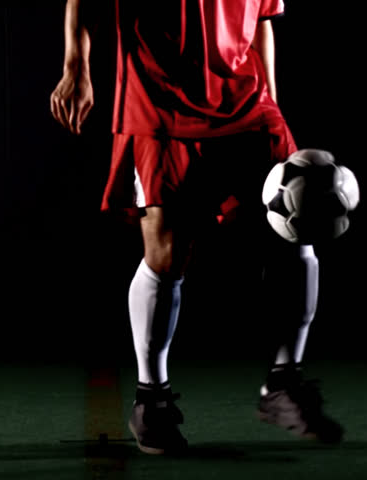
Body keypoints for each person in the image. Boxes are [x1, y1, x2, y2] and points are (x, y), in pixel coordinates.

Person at [50, 0, 344, 455]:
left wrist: (270, 101)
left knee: (296, 230)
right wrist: (76, 67)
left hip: (246, 100)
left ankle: (284, 384)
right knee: (167, 254)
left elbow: (262, 19)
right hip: (157, 98)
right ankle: (152, 399)